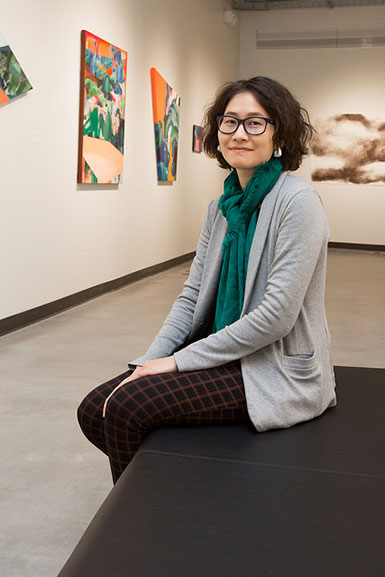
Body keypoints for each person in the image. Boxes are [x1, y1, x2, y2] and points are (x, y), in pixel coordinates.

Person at [78, 76, 337, 484]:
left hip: (272, 366)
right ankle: (169, 494)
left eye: (255, 123)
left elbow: (276, 318)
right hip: (220, 349)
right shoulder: (221, 207)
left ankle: (147, 522)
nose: (239, 133)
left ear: (279, 134)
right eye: (229, 121)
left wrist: (177, 362)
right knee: (96, 408)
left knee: (127, 409)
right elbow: (192, 296)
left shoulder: (298, 203)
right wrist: (149, 362)